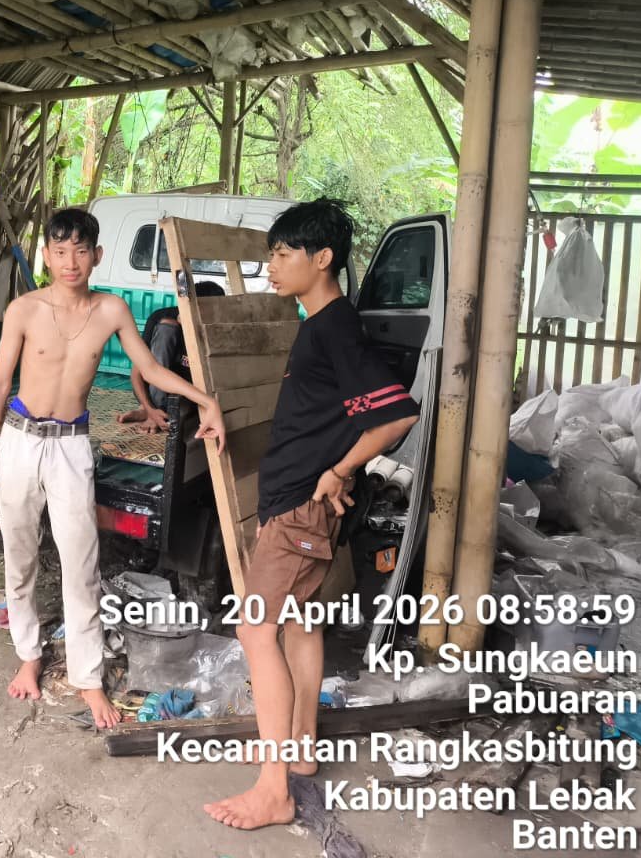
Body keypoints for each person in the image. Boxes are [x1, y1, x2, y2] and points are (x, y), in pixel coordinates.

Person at [0, 208, 227, 730]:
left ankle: (88, 680)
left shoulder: (110, 310)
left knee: (81, 565)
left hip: (71, 447)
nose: (70, 262)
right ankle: (29, 655)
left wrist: (205, 399)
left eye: (81, 251)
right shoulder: (24, 309)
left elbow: (150, 368)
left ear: (97, 255)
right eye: (60, 251)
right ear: (46, 255)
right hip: (19, 441)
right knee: (18, 557)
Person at [205, 198, 418, 830]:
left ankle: (274, 789)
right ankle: (296, 753)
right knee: (299, 626)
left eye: (282, 253)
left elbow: (398, 414)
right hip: (298, 503)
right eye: (271, 253)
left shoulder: (333, 326)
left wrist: (339, 469)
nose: (272, 265)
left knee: (255, 630)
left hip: (301, 507)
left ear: (321, 258)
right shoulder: (323, 321)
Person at [116, 280, 225, 431]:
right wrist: (151, 409)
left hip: (189, 396)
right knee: (166, 327)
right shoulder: (161, 318)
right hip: (156, 392)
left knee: (185, 413)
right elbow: (137, 372)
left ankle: (153, 412)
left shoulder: (217, 328)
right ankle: (151, 409)